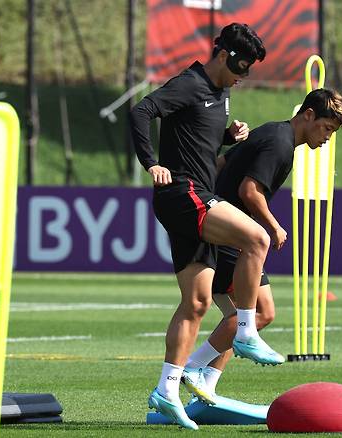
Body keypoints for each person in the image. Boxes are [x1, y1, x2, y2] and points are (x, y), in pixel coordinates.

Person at [129, 23, 283, 430]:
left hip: (192, 195)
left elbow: (196, 140)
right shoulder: (190, 83)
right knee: (257, 236)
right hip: (183, 192)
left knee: (196, 303)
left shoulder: (221, 92)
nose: (242, 76)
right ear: (222, 55)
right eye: (240, 67)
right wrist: (151, 163)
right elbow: (141, 110)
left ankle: (166, 391)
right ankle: (246, 331)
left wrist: (229, 138)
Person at [182, 88, 342, 400]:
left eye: (333, 132)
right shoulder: (281, 144)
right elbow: (249, 190)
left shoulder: (273, 132)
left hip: (225, 233)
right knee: (255, 313)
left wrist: (205, 197)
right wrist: (273, 226)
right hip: (229, 238)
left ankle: (205, 385)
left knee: (248, 315)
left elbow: (221, 163)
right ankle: (193, 368)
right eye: (326, 128)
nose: (328, 137)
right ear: (308, 115)